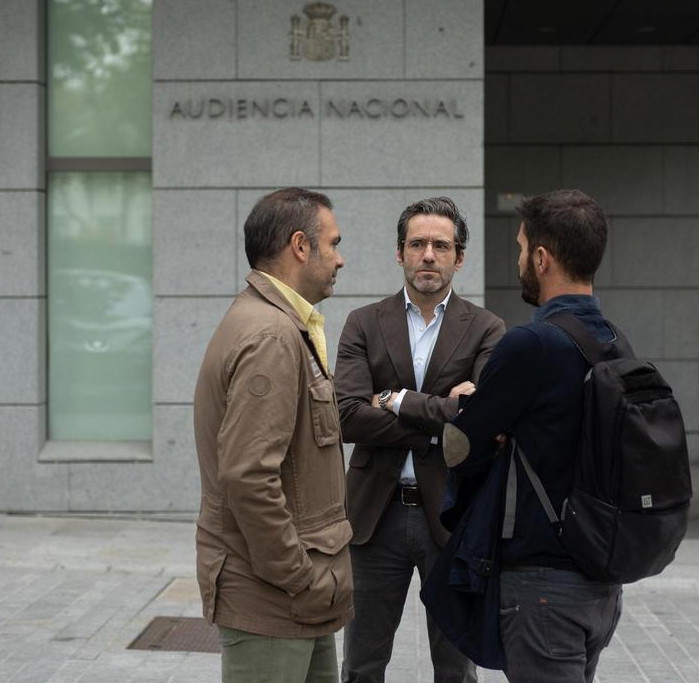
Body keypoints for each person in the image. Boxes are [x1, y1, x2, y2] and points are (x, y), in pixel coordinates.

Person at [441, 189, 623, 683]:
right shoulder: (612, 341)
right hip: (601, 583)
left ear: (542, 259)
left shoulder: (532, 344)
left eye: (521, 248)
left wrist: (466, 409)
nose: (518, 258)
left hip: (543, 586)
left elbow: (459, 448)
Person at [335, 197, 504, 683]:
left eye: (440, 245)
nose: (428, 254)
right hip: (375, 514)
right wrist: (441, 415)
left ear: (459, 256)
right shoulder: (363, 324)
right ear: (399, 253)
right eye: (417, 244)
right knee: (362, 665)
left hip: (450, 517)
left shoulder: (487, 328)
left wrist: (392, 398)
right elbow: (347, 417)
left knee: (456, 668)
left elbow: (479, 422)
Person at [193, 187, 352, 683]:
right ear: (300, 246)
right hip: (276, 598)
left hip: (296, 599)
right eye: (334, 243)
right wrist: (300, 577)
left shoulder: (280, 324)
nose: (340, 259)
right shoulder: (272, 336)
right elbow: (247, 476)